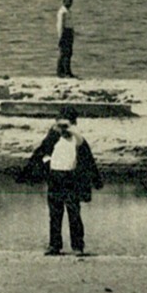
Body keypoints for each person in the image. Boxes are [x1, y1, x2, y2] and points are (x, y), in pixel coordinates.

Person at [21, 109, 101, 256]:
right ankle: (54, 246)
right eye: (60, 125)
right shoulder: (52, 139)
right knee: (55, 214)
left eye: (66, 125)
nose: (63, 129)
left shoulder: (78, 140)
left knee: (74, 213)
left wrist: (95, 181)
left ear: (73, 124)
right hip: (55, 178)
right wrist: (46, 165)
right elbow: (40, 154)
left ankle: (78, 247)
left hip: (71, 178)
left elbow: (88, 161)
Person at [56, 0, 77, 78]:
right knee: (64, 53)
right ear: (64, 1)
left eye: (71, 1)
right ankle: (61, 72)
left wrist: (73, 33)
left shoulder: (69, 11)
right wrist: (60, 35)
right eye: (68, 1)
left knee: (69, 53)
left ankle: (67, 71)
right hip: (64, 33)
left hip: (69, 32)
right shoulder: (62, 12)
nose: (70, 3)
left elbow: (70, 24)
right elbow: (60, 24)